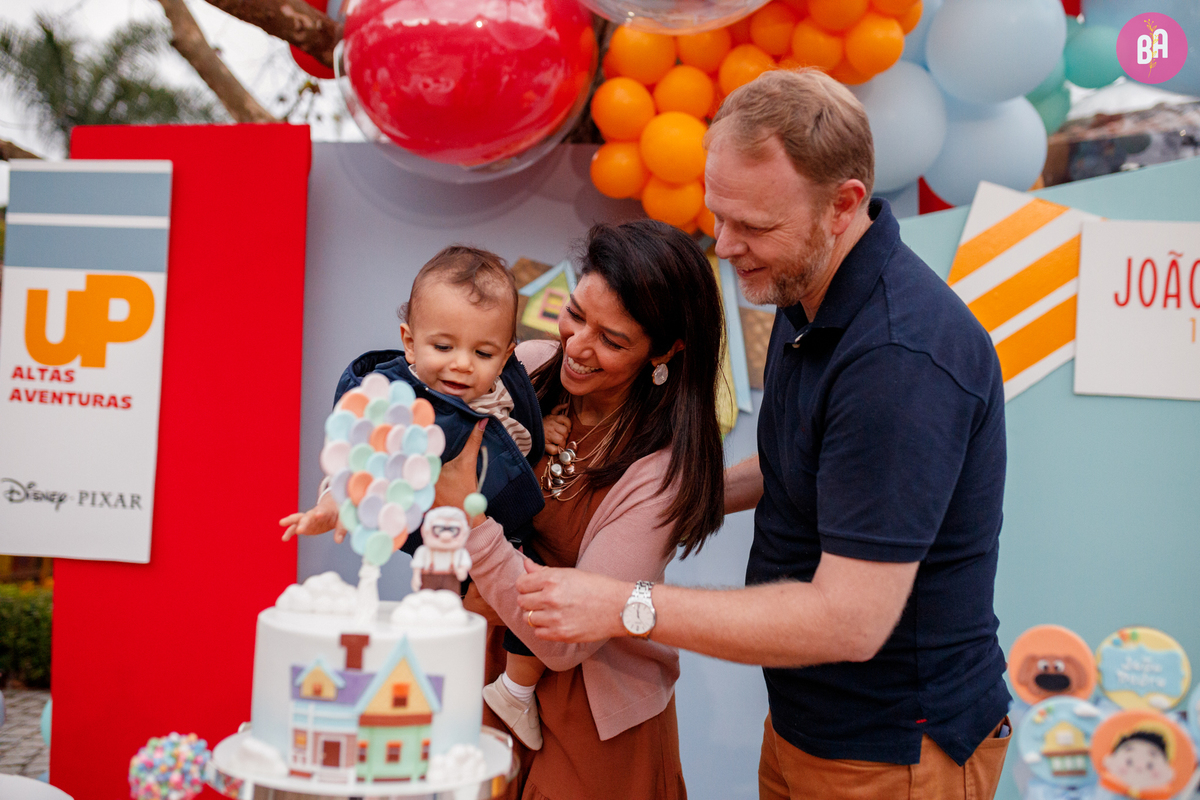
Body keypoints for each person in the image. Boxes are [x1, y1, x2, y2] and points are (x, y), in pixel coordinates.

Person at [514, 68, 1013, 800]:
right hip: (804, 725)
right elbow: (798, 468)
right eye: (721, 216)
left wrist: (623, 601)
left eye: (753, 227)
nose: (724, 245)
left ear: (842, 205)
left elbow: (848, 621)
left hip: (896, 752)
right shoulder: (804, 289)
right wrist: (664, 495)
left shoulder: (898, 362)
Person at [434, 219, 726, 800]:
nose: (577, 346)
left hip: (592, 710)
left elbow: (568, 639)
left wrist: (471, 521)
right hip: (490, 677)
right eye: (574, 313)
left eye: (612, 340)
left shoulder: (660, 469)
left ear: (665, 350)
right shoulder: (531, 368)